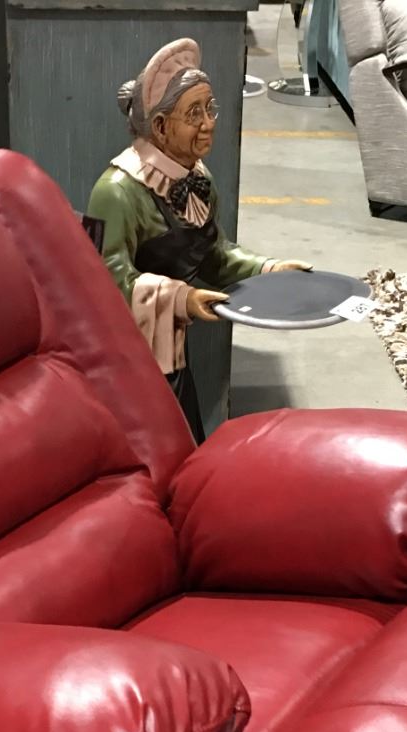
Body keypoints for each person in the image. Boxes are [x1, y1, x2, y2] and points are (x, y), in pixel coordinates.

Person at [87, 38, 310, 436]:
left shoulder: (197, 179)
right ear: (159, 126)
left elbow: (215, 255)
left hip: (169, 351)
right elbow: (105, 281)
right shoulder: (118, 190)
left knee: (181, 439)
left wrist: (269, 271)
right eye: (195, 113)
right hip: (124, 365)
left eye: (210, 108)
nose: (209, 122)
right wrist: (181, 298)